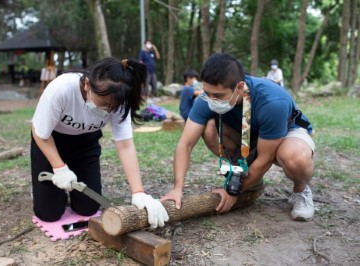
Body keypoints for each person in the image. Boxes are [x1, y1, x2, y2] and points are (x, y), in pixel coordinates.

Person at [161, 53, 315, 222]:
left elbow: (266, 158)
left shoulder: (272, 101)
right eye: (207, 93)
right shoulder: (207, 98)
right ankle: (239, 174)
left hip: (284, 134)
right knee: (208, 128)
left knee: (295, 157)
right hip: (246, 136)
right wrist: (177, 188)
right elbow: (186, 143)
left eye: (218, 96)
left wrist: (231, 192)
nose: (211, 99)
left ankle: (301, 191)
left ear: (240, 88)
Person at [31, 57, 169, 228]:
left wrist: (138, 192)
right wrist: (59, 168)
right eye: (103, 104)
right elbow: (39, 133)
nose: (107, 111)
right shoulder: (62, 89)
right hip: (50, 140)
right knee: (48, 214)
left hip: (85, 143)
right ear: (87, 84)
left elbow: (125, 145)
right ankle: (42, 190)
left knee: (88, 208)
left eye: (111, 108)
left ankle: (67, 187)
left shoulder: (119, 101)